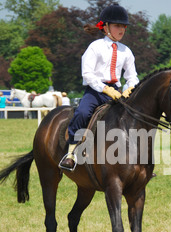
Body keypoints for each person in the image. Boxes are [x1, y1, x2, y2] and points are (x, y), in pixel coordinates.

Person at [60, 4, 140, 170]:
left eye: (124, 26)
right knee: (82, 113)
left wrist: (129, 88)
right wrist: (105, 89)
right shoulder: (95, 47)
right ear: (105, 27)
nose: (122, 30)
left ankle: (138, 160)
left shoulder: (127, 51)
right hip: (96, 91)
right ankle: (71, 153)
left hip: (117, 92)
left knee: (134, 117)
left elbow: (132, 76)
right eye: (117, 25)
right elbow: (88, 74)